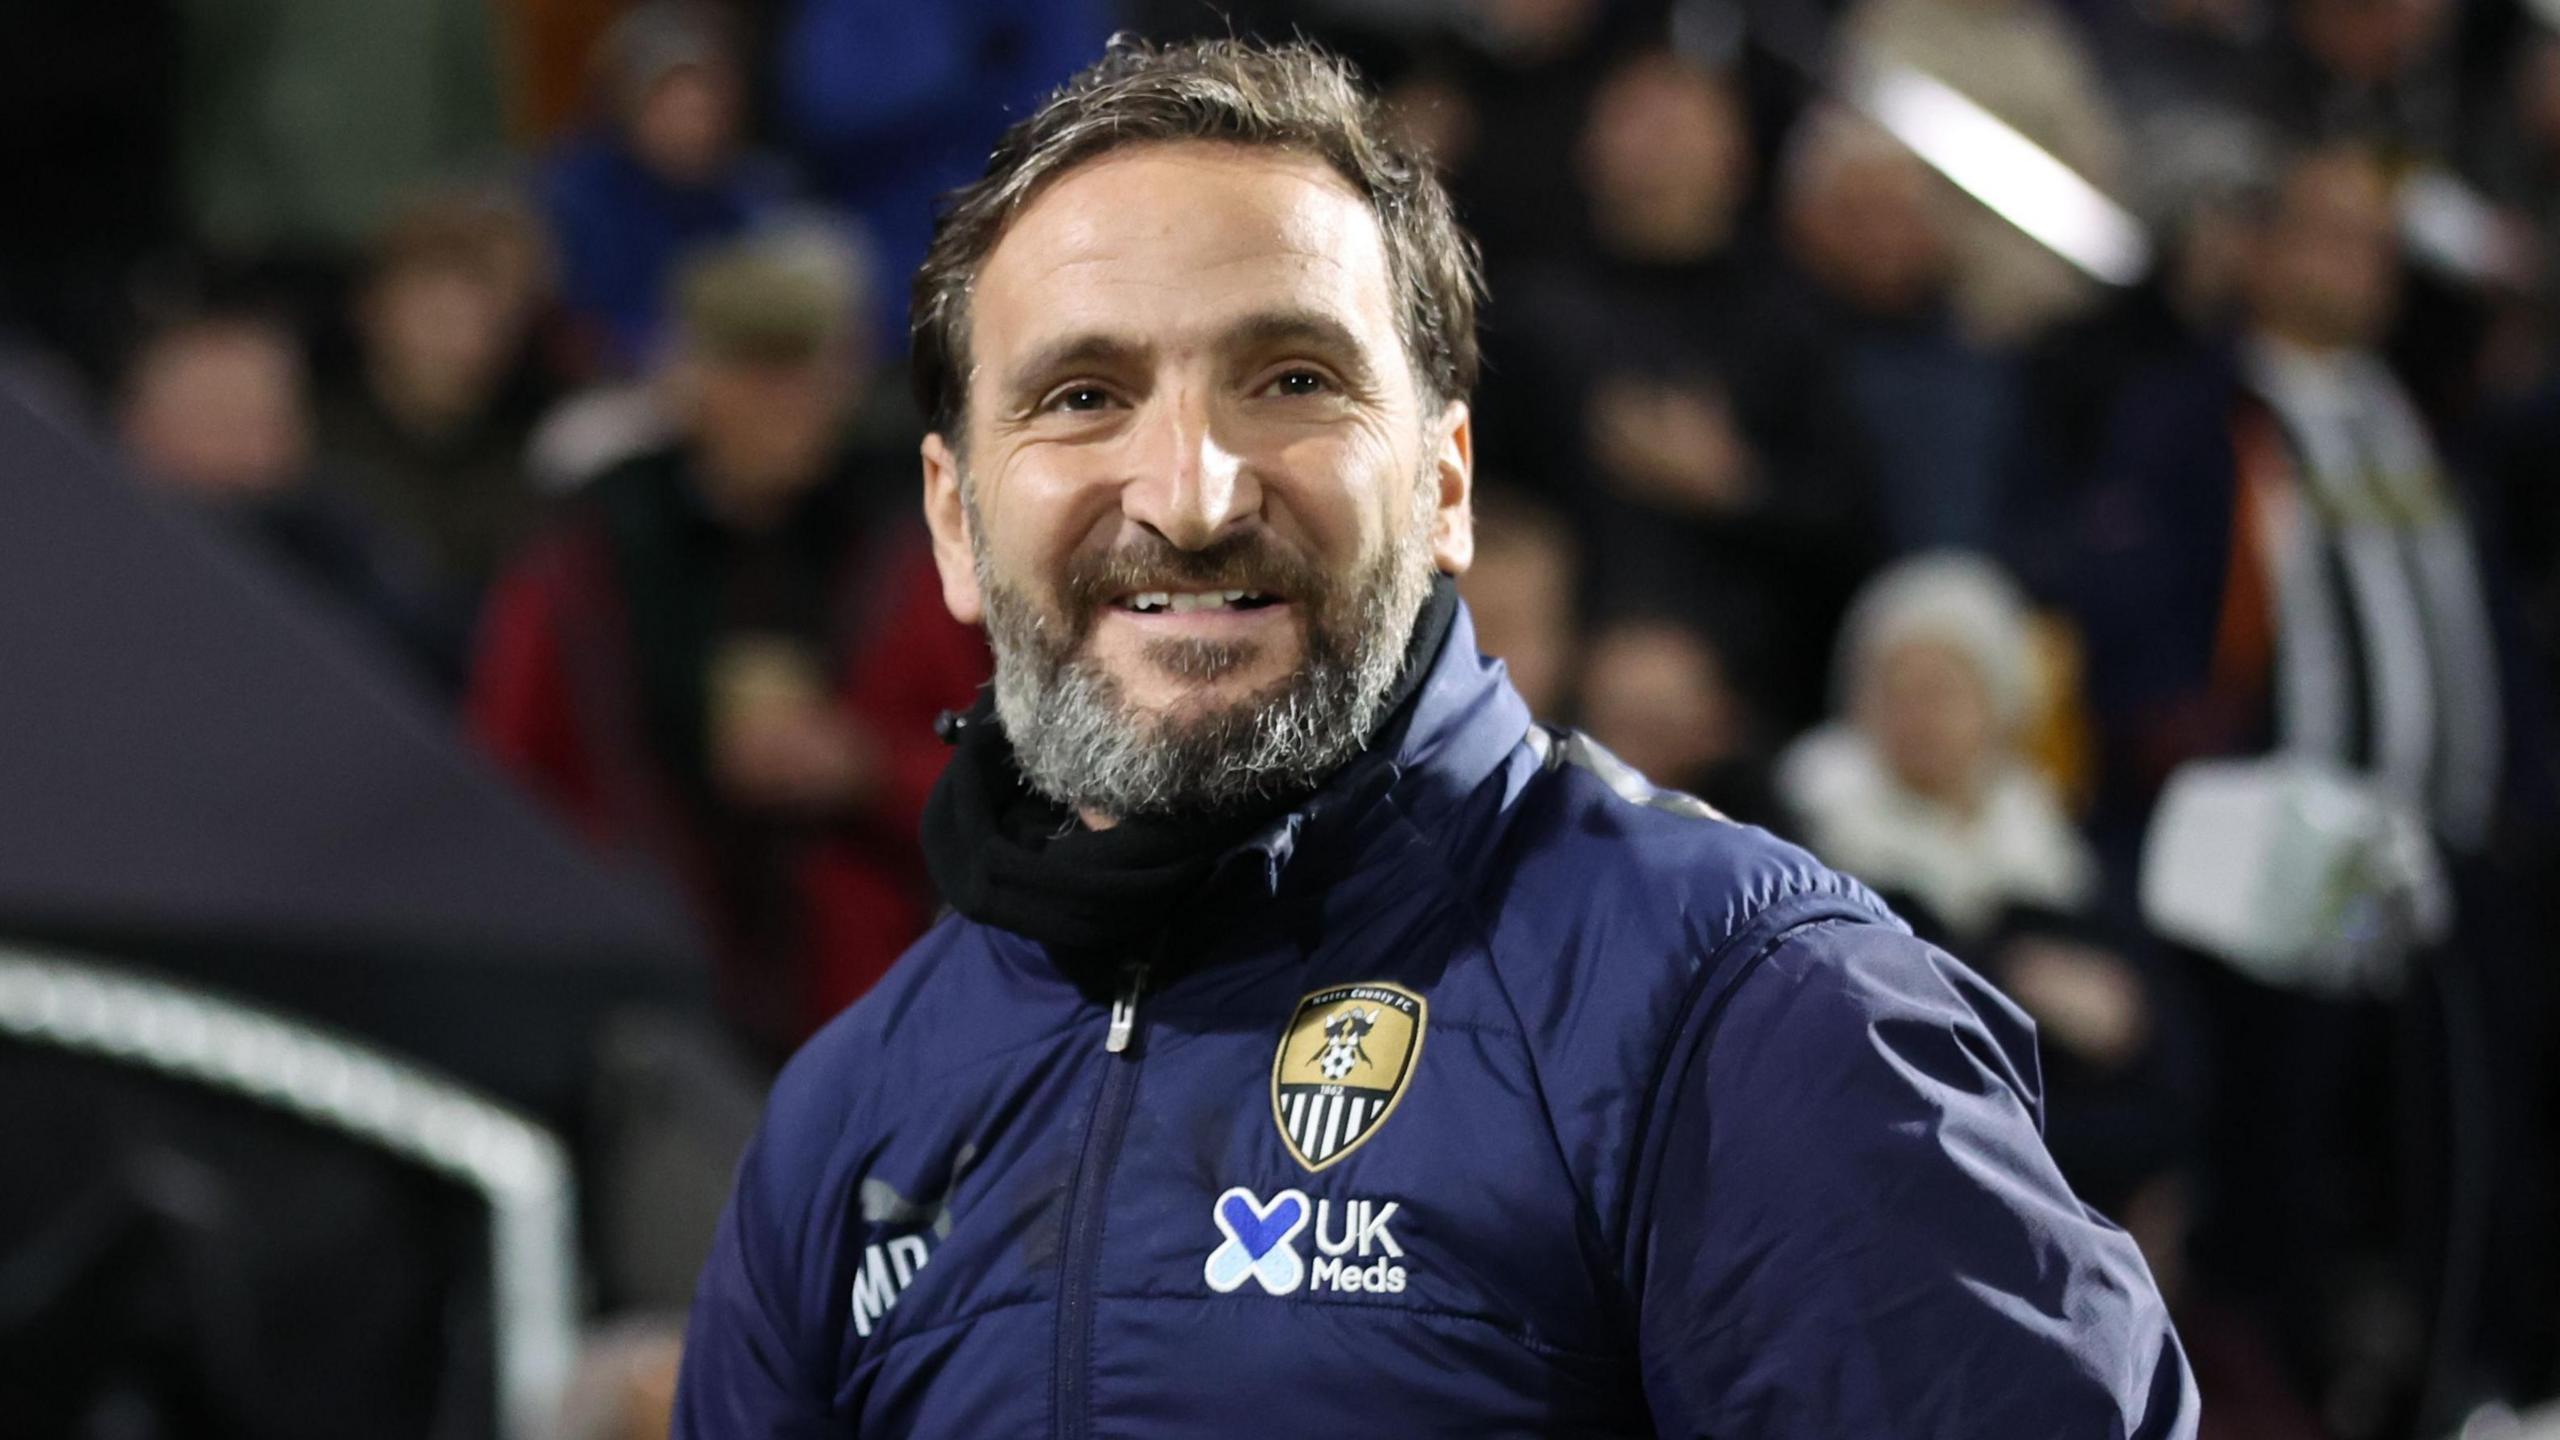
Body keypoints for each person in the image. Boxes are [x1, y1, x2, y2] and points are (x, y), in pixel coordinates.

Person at [675, 38, 2193, 1435]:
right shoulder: (847, 1121)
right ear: (955, 519)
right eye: (1084, 394)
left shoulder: (1743, 1010)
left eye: (1293, 381)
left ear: (1446, 480)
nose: (1193, 495)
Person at [468, 230, 986, 1057]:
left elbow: (1011, 787)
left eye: (806, 374)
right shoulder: (583, 569)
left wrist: (864, 769)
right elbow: (504, 785)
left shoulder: (907, 556)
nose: (784, 403)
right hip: (637, 1011)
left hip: (866, 1017)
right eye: (753, 371)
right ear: (685, 379)